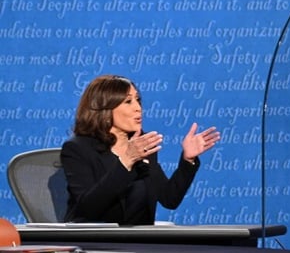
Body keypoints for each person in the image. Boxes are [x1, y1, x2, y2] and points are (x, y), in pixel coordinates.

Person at [61, 74, 221, 224]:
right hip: (98, 242)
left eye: (138, 100)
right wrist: (127, 161)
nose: (138, 108)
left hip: (141, 244)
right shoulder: (77, 149)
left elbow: (169, 198)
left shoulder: (142, 145)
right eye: (128, 102)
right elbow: (88, 208)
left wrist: (188, 160)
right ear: (105, 108)